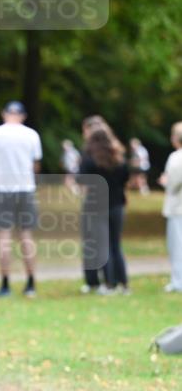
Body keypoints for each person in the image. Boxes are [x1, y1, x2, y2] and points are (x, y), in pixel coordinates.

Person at [0, 100, 42, 298]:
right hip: (26, 188)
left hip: (1, 188)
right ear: (23, 116)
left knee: (4, 237)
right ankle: (31, 283)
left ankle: (5, 284)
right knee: (26, 235)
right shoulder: (32, 134)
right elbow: (36, 164)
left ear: (4, 113)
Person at [78, 124, 130, 294]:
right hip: (117, 205)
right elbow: (125, 180)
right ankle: (123, 283)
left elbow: (82, 182)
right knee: (116, 245)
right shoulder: (119, 159)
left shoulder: (89, 160)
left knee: (102, 245)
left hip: (96, 206)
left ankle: (109, 283)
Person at [158, 121, 182, 293]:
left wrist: (164, 181)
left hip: (177, 208)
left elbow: (173, 183)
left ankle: (178, 281)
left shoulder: (176, 157)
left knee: (177, 246)